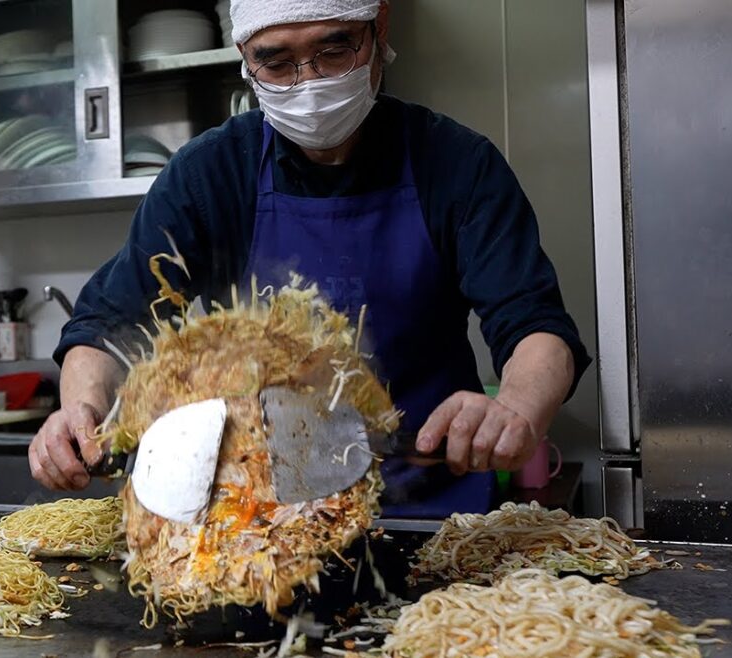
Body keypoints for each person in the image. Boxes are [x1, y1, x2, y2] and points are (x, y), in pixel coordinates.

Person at [29, 0, 591, 518]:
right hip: (261, 523)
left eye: (334, 49)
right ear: (246, 63)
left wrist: (516, 407)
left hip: (430, 511)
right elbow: (110, 322)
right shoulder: (211, 173)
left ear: (379, 31)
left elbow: (535, 327)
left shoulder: (457, 165)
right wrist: (81, 409)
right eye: (277, 63)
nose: (310, 83)